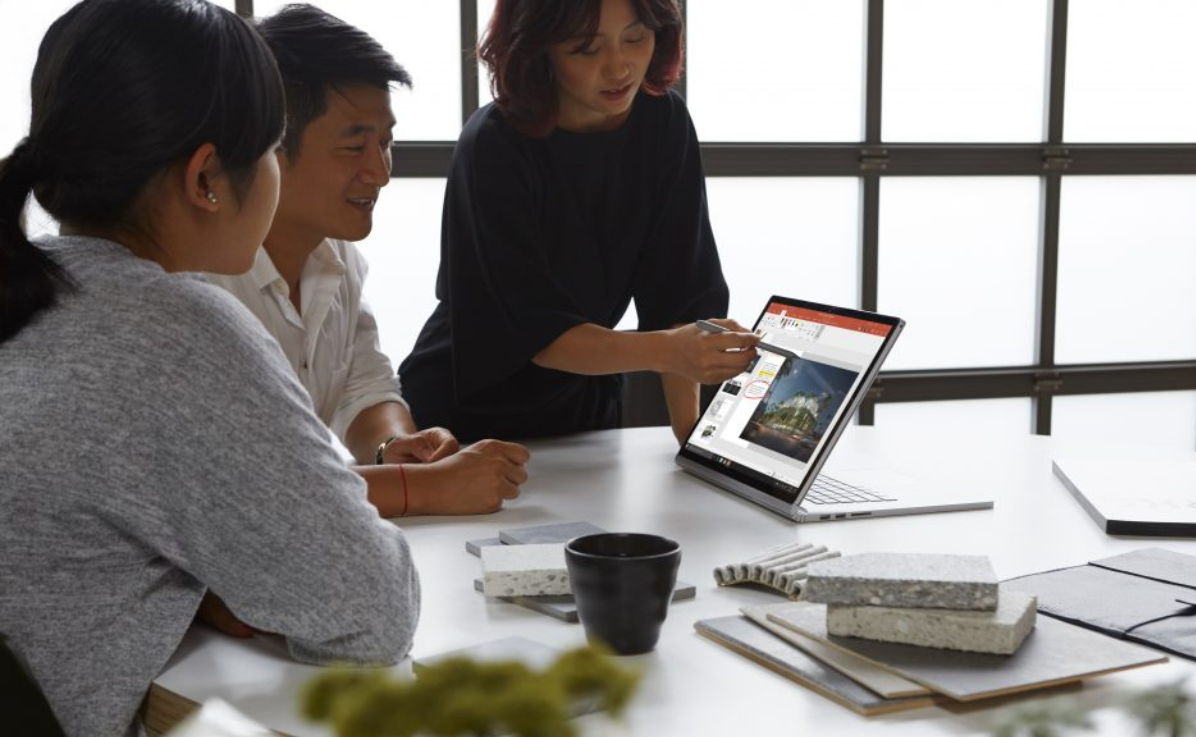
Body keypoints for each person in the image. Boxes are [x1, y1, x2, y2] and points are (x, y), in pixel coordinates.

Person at [0, 1, 419, 734]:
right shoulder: (173, 326)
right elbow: (372, 610)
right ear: (207, 178)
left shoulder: (30, 286)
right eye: (268, 150)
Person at [208, 4, 529, 518]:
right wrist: (424, 488)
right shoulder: (202, 285)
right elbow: (246, 489)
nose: (380, 173)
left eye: (386, 143)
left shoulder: (335, 255)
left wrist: (397, 448)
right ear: (267, 147)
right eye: (354, 147)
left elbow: (365, 383)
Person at [397, 0, 760, 445]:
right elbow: (533, 330)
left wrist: (691, 436)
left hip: (583, 409)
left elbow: (681, 295)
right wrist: (672, 349)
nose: (619, 67)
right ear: (538, 49)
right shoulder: (494, 143)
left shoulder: (663, 122)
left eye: (635, 38)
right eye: (587, 49)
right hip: (462, 416)